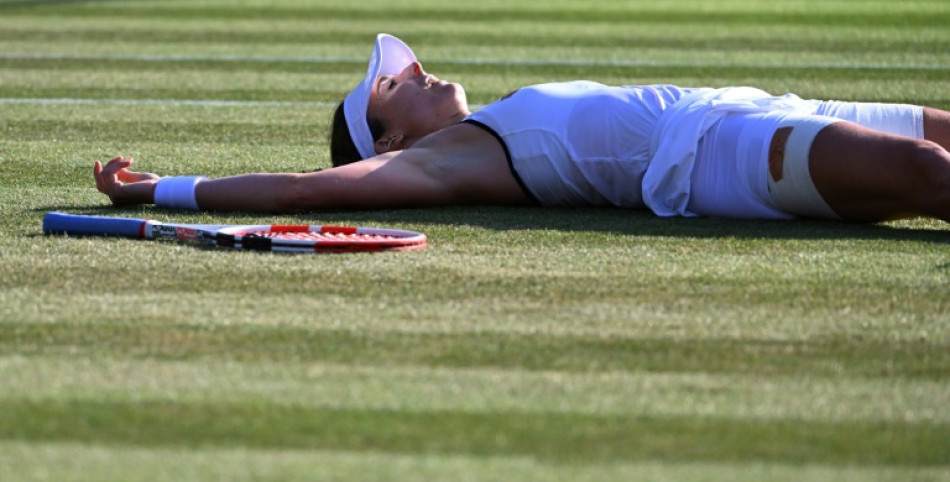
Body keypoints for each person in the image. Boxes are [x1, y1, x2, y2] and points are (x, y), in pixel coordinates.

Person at [95, 33, 950, 223]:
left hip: (761, 108)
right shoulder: (445, 160)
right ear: (388, 143)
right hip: (714, 157)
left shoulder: (489, 120)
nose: (412, 69)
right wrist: (157, 188)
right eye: (388, 87)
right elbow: (303, 187)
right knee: (927, 172)